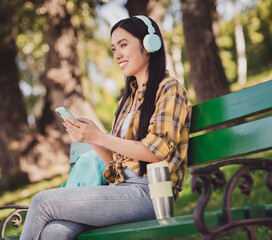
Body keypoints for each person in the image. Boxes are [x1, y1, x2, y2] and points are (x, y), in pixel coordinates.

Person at [20, 15, 192, 240]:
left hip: (150, 194)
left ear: (149, 45)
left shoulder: (169, 89)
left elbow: (155, 152)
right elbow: (115, 160)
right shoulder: (127, 100)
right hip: (120, 191)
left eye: (123, 45)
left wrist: (101, 136)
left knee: (41, 202)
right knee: (54, 232)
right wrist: (91, 137)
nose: (117, 54)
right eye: (114, 48)